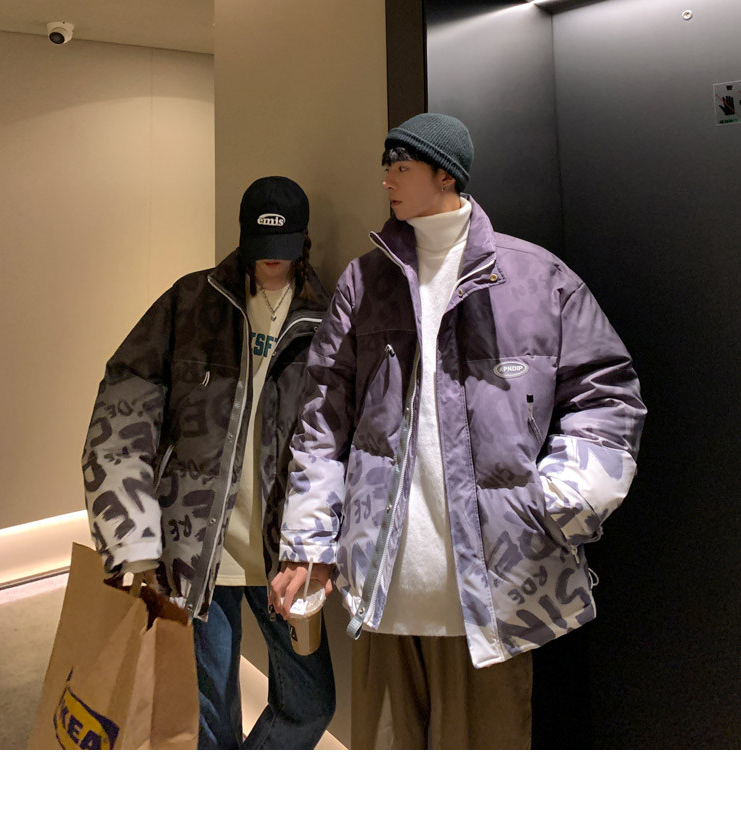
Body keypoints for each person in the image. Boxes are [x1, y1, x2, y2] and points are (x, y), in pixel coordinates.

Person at [271, 114, 646, 749]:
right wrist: (309, 540)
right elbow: (321, 421)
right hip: (383, 591)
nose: (387, 180)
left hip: (498, 594)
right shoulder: (364, 283)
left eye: (401, 166)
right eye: (386, 166)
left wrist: (562, 500)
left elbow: (608, 394)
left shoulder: (537, 279)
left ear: (445, 174)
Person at [82, 176, 336, 749]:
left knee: (311, 701)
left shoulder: (327, 320)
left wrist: (324, 547)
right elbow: (123, 402)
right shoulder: (193, 302)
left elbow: (341, 440)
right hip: (196, 551)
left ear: (304, 240)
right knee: (208, 721)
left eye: (284, 246)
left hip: (284, 555)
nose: (272, 259)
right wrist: (131, 530)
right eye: (261, 245)